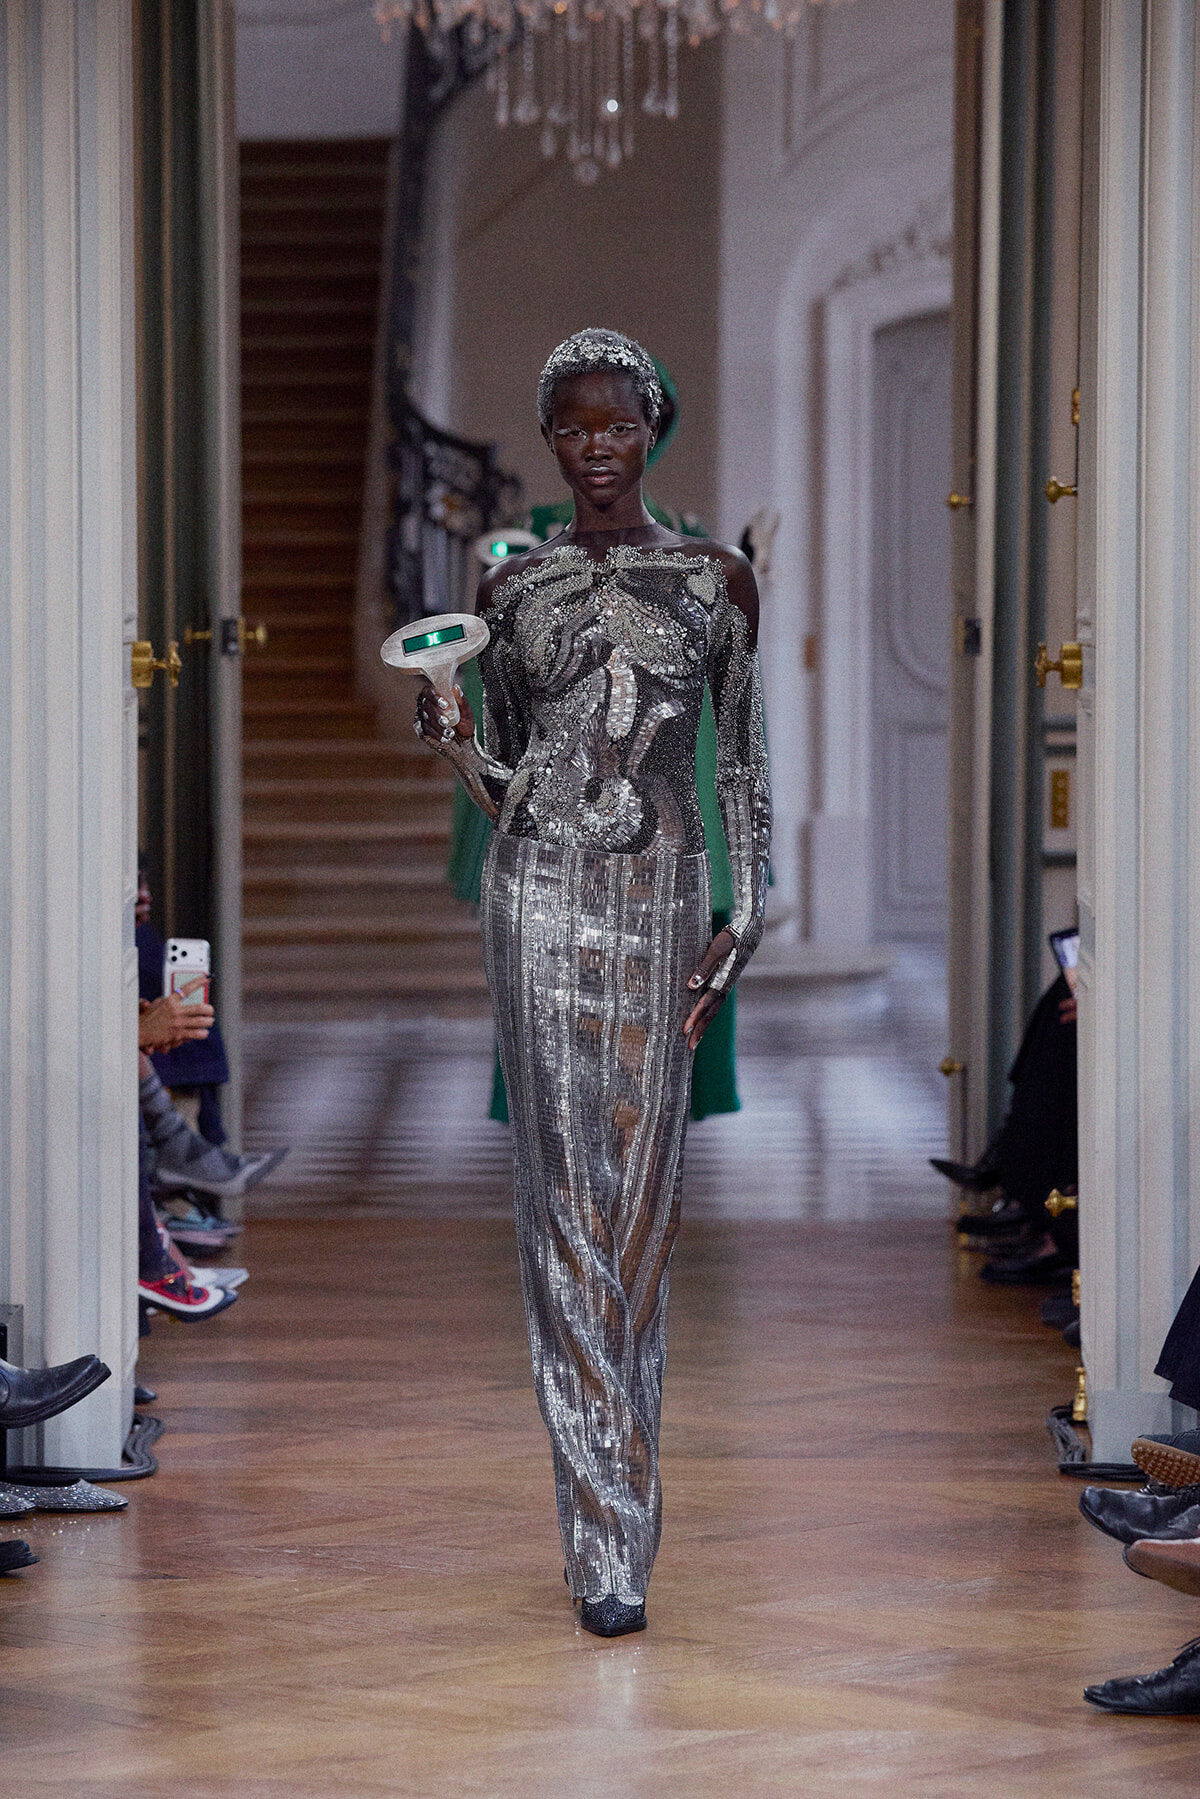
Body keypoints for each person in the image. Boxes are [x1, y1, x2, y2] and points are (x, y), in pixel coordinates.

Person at [414, 328, 771, 1638]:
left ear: (655, 428)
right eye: (576, 428)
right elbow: (516, 785)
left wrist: (751, 917)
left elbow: (741, 766)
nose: (601, 446)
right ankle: (606, 1542)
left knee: (643, 1221)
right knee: (563, 1209)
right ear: (552, 439)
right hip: (541, 898)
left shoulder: (716, 579)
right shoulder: (517, 587)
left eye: (622, 425)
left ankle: (619, 1498)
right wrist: (456, 745)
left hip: (668, 903)